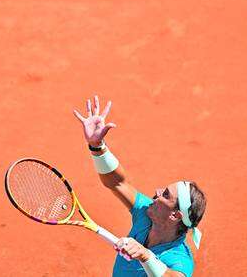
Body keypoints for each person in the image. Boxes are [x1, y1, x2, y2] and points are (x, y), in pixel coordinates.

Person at [73, 95, 206, 277]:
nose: (157, 192)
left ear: (175, 215)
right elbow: (117, 182)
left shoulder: (180, 259)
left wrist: (145, 255)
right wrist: (97, 146)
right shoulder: (147, 212)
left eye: (165, 195)